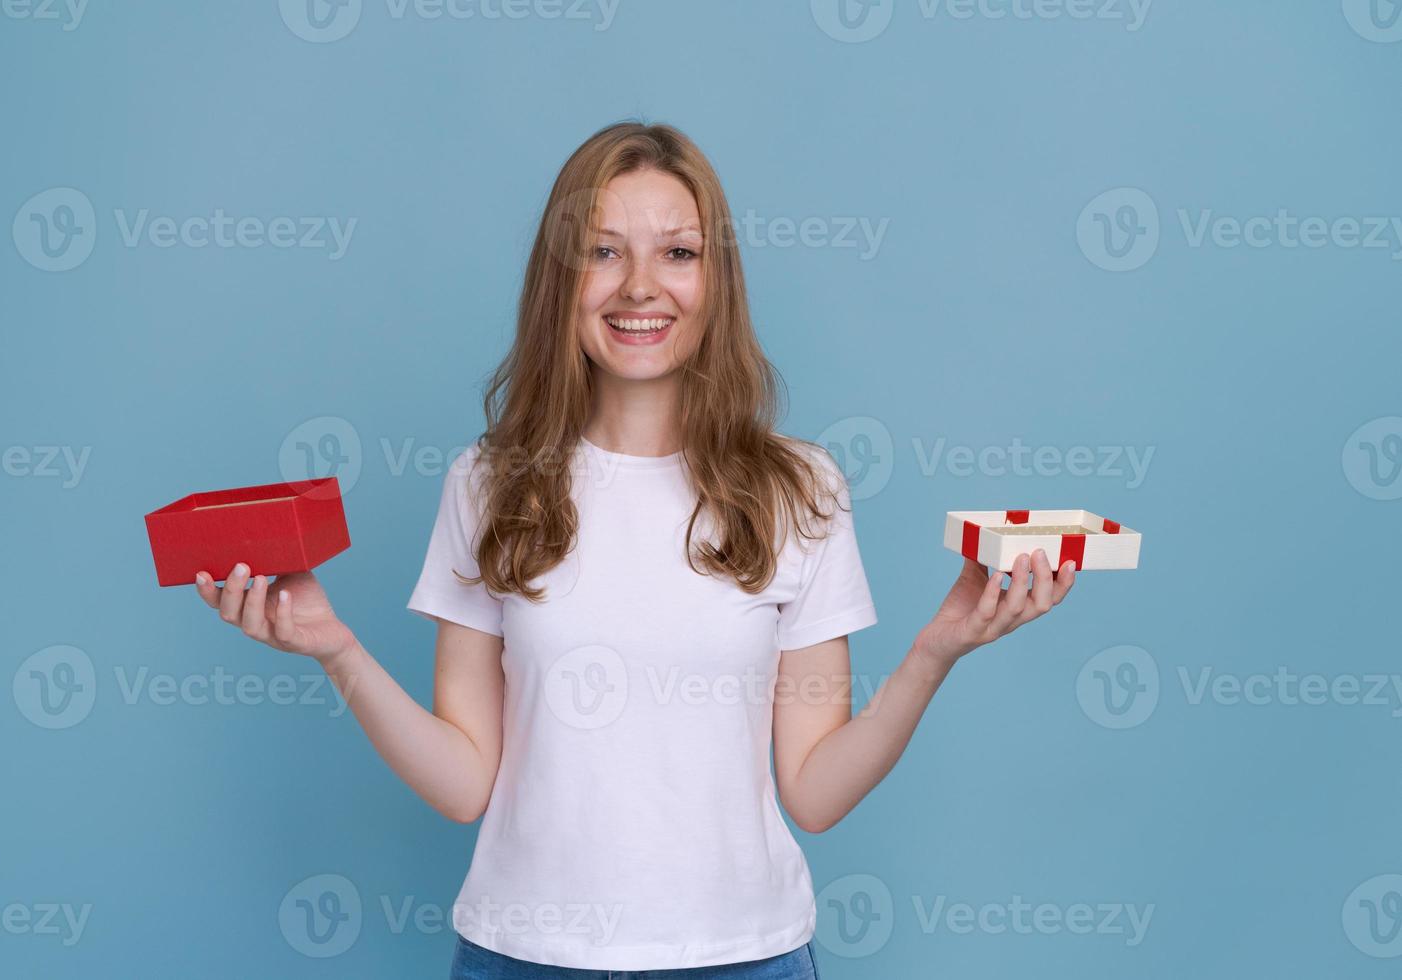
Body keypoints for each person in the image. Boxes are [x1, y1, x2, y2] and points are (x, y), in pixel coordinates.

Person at [194, 121, 1077, 979]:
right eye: (604, 250)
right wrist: (334, 650)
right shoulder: (489, 482)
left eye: (678, 253)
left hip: (743, 960)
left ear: (716, 280)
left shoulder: (800, 489)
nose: (639, 286)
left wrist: (936, 652)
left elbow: (814, 789)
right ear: (561, 277)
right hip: (521, 958)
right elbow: (465, 781)